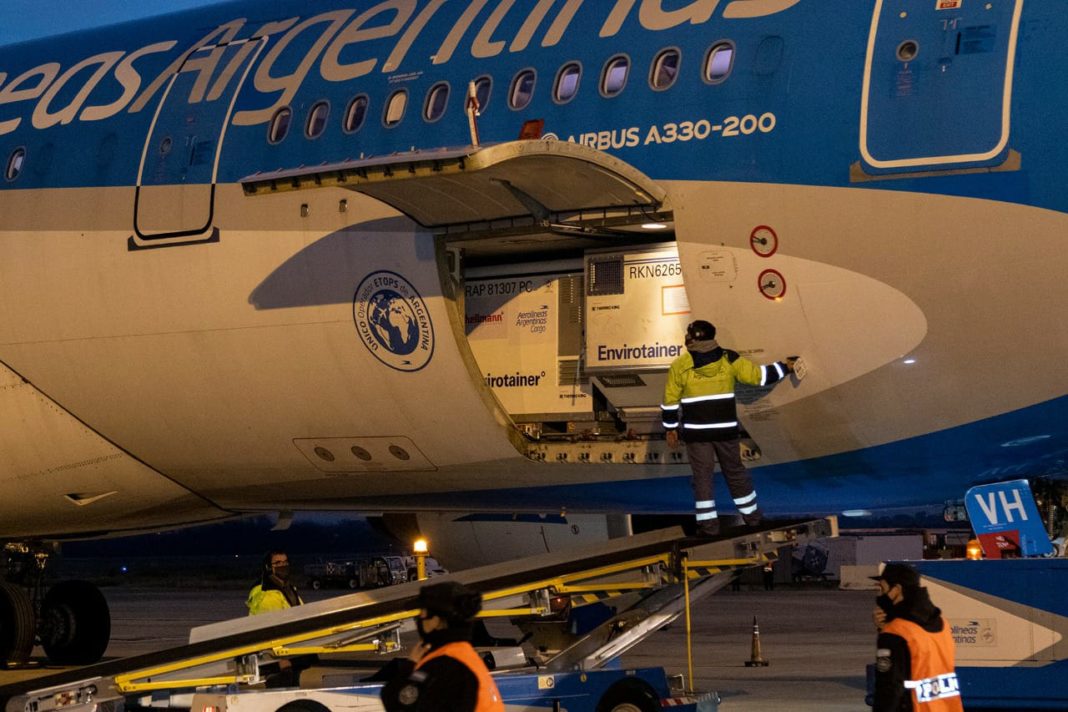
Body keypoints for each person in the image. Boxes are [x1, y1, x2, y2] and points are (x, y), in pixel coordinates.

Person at [661, 320, 796, 536]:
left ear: (693, 338)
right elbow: (758, 377)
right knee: (735, 473)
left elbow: (670, 401)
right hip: (725, 431)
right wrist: (785, 367)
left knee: (703, 479)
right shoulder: (728, 358)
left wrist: (670, 428)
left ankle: (709, 527)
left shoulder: (680, 365)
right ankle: (753, 519)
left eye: (688, 335)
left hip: (697, 434)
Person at [381, 581, 504, 712]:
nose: (419, 620)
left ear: (436, 621)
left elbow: (397, 703)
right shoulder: (464, 657)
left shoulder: (446, 666)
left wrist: (409, 667)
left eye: (422, 614)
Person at [871, 563, 963, 712]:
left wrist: (886, 632)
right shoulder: (941, 624)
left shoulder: (895, 632)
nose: (879, 595)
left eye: (882, 588)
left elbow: (889, 689)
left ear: (897, 590)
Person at [247, 550, 303, 616]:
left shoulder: (289, 589)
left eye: (285, 562)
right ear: (268, 567)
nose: (283, 565)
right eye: (278, 563)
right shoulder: (266, 594)